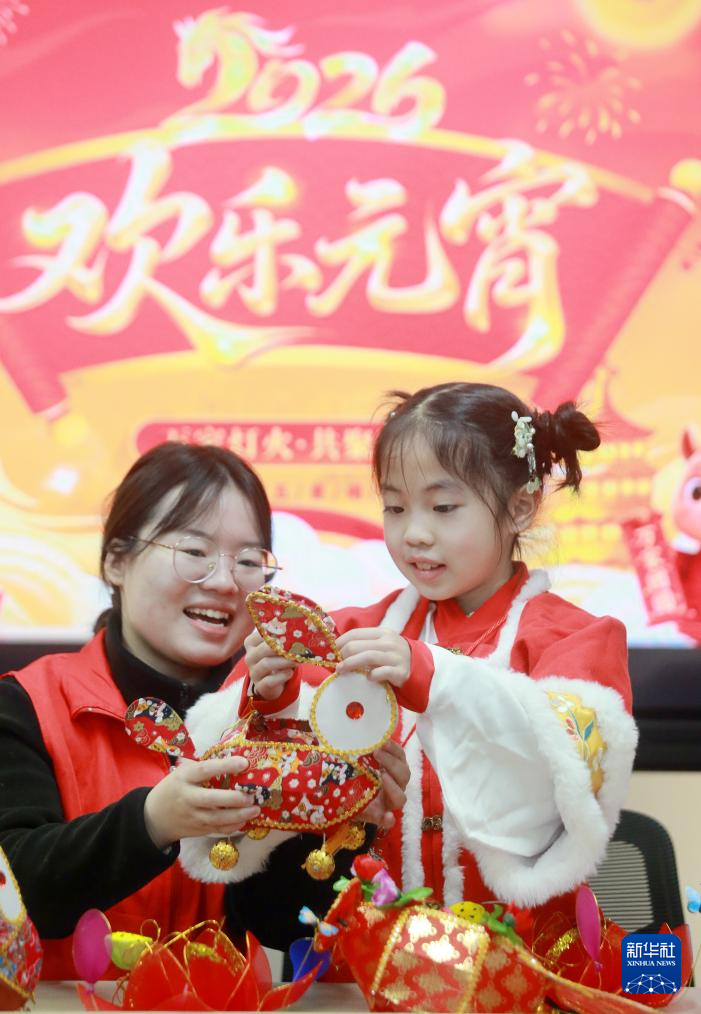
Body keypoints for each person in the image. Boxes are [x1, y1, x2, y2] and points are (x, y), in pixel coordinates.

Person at [214, 382, 637, 943]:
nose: (413, 533)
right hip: (372, 961)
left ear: (521, 506)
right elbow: (232, 766)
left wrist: (434, 676)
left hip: (525, 961)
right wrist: (275, 701)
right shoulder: (352, 633)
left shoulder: (578, 639)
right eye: (394, 507)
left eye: (443, 508)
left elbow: (564, 776)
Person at [0, 441, 408, 979]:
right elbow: (17, 889)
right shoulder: (27, 702)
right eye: (194, 552)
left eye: (248, 561)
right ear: (117, 560)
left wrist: (339, 822)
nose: (223, 582)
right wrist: (152, 822)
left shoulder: (291, 721)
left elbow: (284, 926)